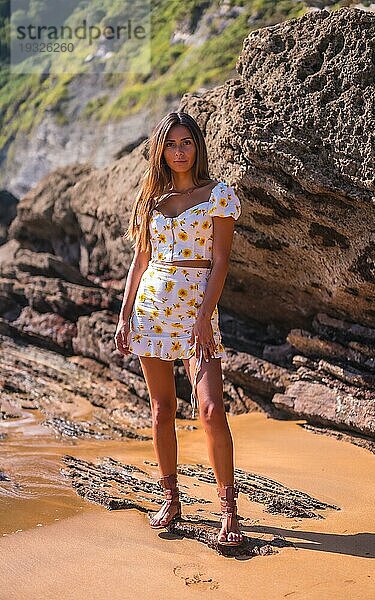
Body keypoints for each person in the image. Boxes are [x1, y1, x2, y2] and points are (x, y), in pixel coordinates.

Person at [114, 111, 244, 547]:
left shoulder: (218, 195)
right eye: (171, 144)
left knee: (210, 409)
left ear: (198, 146)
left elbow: (221, 260)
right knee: (162, 408)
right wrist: (124, 311)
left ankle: (228, 509)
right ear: (161, 152)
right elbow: (141, 260)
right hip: (152, 311)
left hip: (197, 311)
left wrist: (206, 315)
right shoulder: (152, 200)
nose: (180, 151)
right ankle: (170, 498)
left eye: (187, 142)